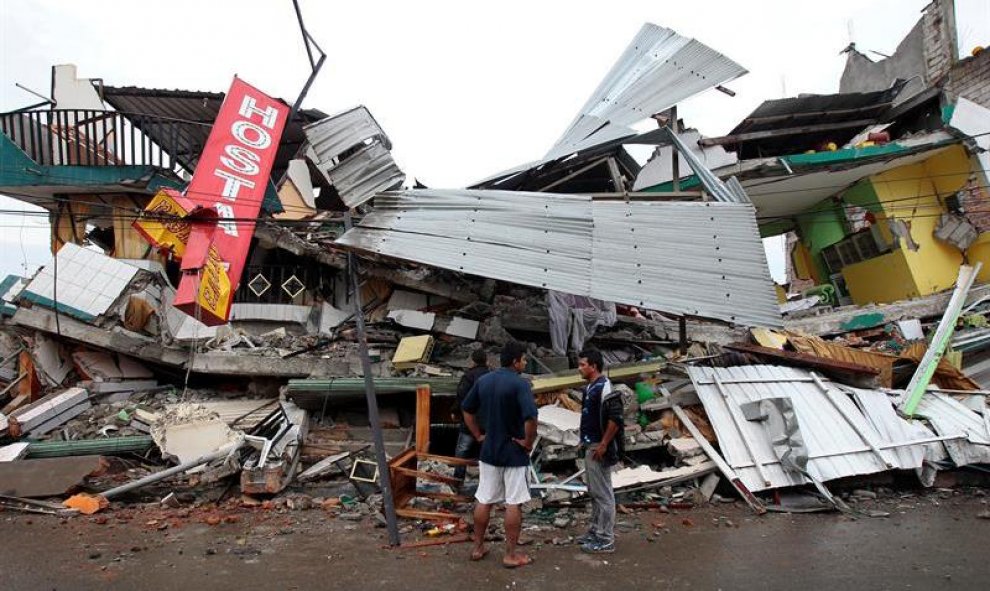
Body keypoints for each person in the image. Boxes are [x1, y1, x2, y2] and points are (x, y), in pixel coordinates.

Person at [461, 341, 538, 569]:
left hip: (489, 450)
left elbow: (467, 409)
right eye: (523, 359)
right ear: (515, 362)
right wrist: (528, 442)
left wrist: (477, 434)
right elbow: (531, 418)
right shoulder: (520, 385)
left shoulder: (484, 380)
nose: (524, 363)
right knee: (514, 502)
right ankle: (510, 554)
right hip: (514, 452)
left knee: (484, 499)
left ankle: (477, 548)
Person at [576, 348, 623, 554]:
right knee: (594, 491)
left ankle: (606, 538)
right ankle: (595, 530)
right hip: (590, 444)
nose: (580, 368)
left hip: (599, 446)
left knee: (603, 493)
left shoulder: (605, 387)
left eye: (582, 365)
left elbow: (615, 419)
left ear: (593, 366)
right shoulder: (589, 388)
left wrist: (604, 444)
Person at [453, 349, 490, 482]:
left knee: (462, 450)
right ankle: (486, 482)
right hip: (487, 422)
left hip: (470, 421)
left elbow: (461, 396)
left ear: (473, 361)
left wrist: (455, 412)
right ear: (486, 361)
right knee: (486, 453)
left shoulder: (468, 376)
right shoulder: (491, 376)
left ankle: (458, 479)